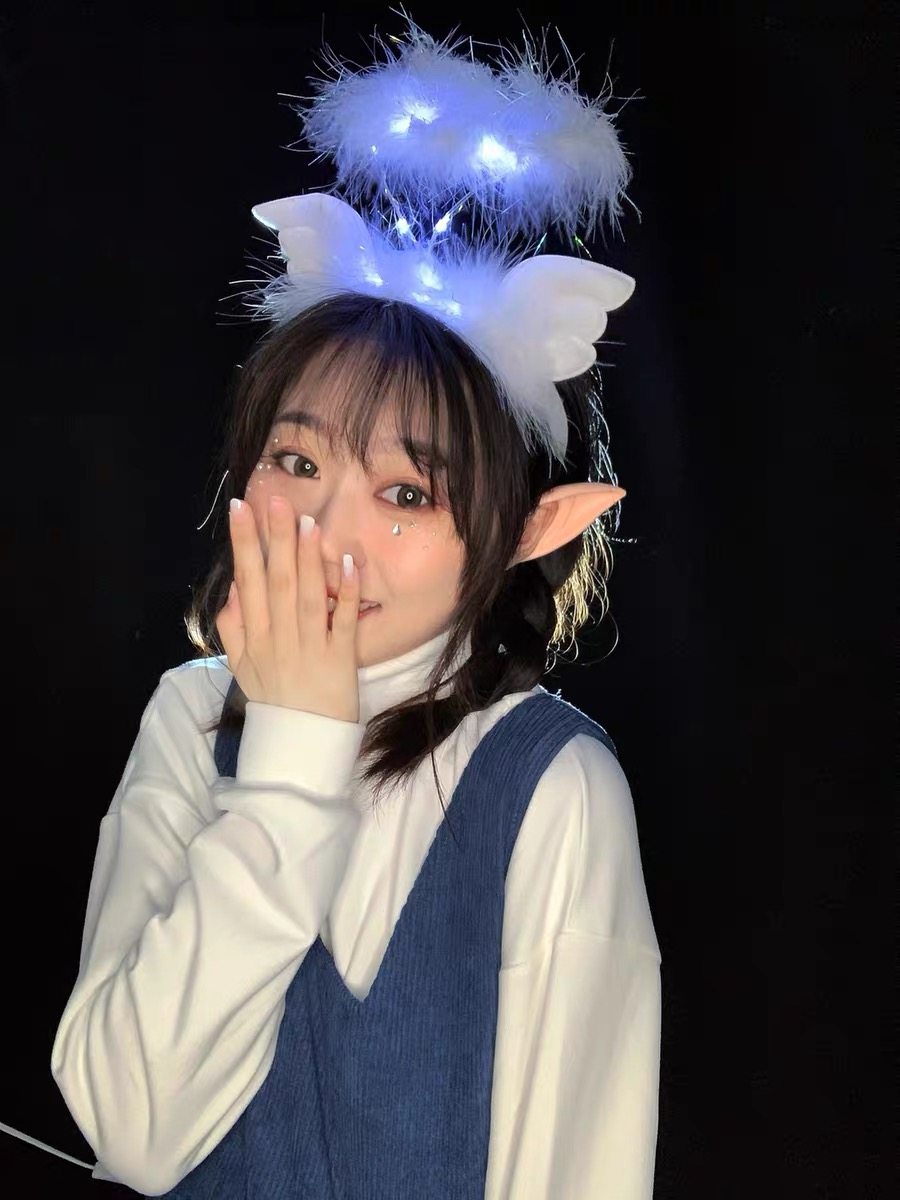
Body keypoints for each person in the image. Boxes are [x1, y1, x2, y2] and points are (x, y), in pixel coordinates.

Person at [42, 21, 661, 1199]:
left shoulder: (553, 788)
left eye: (407, 492)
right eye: (299, 461)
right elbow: (133, 1135)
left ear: (535, 527)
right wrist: (292, 754)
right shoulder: (193, 719)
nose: (329, 533)